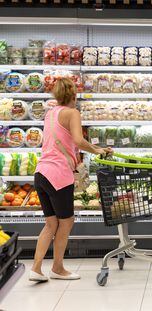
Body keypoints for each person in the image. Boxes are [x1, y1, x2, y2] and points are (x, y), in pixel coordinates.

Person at [29, 77, 112, 282]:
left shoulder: (50, 113)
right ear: (73, 95)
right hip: (58, 175)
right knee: (66, 223)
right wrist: (98, 150)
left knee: (50, 225)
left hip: (41, 173)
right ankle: (57, 268)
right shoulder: (72, 113)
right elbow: (77, 140)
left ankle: (36, 269)